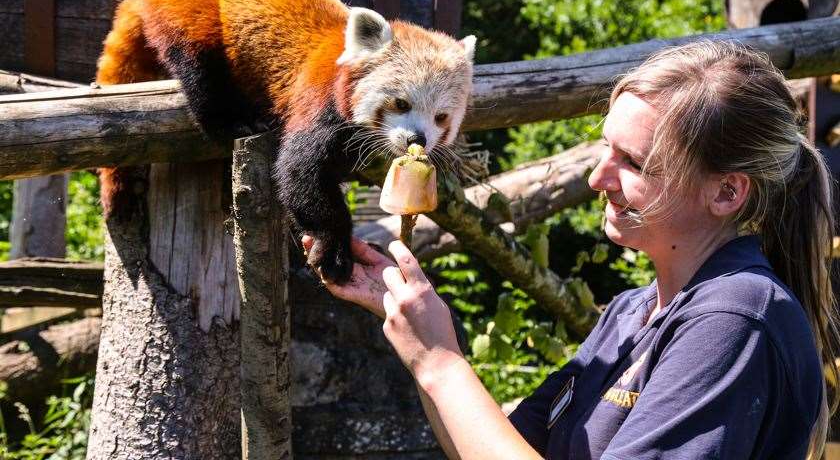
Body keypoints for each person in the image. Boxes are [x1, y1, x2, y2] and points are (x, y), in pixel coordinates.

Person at [302, 41, 839, 459]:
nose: (598, 176)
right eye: (606, 146)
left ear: (726, 192)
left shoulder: (735, 320)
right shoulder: (631, 312)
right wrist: (418, 334)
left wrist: (439, 359)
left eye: (634, 162)